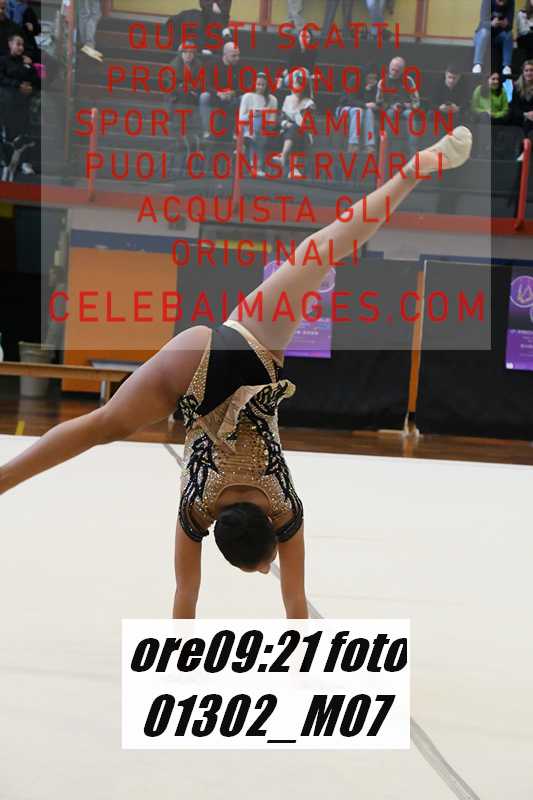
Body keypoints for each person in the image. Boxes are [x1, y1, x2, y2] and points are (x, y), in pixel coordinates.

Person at [0, 126, 473, 619]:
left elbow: (295, 603)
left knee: (322, 249)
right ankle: (5, 478)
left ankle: (411, 172)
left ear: (270, 531)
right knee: (102, 426)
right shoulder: (196, 509)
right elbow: (185, 598)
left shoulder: (284, 507)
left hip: (248, 354)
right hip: (194, 369)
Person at [0, 32, 40, 176]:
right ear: (10, 44)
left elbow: (37, 80)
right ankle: (6, 162)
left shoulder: (26, 62)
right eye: (18, 44)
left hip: (23, 103)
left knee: (24, 134)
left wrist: (31, 66)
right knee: (9, 134)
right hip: (6, 102)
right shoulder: (3, 60)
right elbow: (1, 78)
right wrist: (17, 85)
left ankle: (25, 163)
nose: (21, 47)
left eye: (22, 45)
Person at [376, 56, 422, 157]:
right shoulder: (383, 82)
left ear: (402, 70)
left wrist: (408, 105)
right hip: (390, 109)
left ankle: (413, 152)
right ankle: (385, 149)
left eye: (397, 71)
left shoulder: (408, 80)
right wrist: (390, 106)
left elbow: (416, 101)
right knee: (389, 114)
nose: (394, 72)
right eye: (393, 69)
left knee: (411, 115)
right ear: (389, 67)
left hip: (406, 109)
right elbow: (379, 101)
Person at [275, 68, 316, 178]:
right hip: (285, 132)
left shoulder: (309, 103)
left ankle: (284, 157)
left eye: (298, 85)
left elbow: (305, 124)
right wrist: (285, 123)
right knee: (291, 129)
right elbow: (281, 117)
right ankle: (293, 168)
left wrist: (296, 114)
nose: (295, 88)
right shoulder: (288, 99)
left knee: (295, 129)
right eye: (294, 84)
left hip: (302, 134)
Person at [238, 72, 278, 175]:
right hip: (247, 125)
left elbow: (272, 121)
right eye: (258, 84)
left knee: (259, 125)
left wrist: (262, 114)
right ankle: (256, 167)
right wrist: (253, 114)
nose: (260, 87)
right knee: (256, 127)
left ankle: (249, 137)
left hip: (264, 127)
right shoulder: (247, 96)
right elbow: (241, 117)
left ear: (267, 86)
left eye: (263, 85)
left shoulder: (272, 99)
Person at [199, 40, 240, 139]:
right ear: (225, 54)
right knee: (204, 97)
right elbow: (206, 85)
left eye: (238, 55)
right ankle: (207, 130)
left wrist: (233, 93)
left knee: (244, 98)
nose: (237, 58)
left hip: (232, 97)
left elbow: (245, 87)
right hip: (216, 96)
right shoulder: (212, 64)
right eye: (234, 56)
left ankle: (237, 132)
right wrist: (218, 93)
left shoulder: (240, 66)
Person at [336, 64, 378, 154]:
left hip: (361, 108)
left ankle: (369, 144)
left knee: (369, 111)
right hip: (345, 107)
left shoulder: (373, 86)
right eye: (370, 78)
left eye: (374, 78)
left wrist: (368, 90)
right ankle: (353, 143)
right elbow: (350, 100)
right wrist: (365, 104)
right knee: (358, 111)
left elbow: (372, 103)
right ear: (365, 76)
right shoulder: (354, 80)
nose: (372, 80)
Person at [472, 0, 515, 77]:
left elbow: (510, 25)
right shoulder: (487, 1)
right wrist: (491, 24)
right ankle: (477, 64)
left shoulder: (511, 1)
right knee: (484, 32)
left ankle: (506, 66)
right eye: (499, 1)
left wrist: (504, 24)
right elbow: (483, 22)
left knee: (509, 34)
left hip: (498, 36)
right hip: (483, 35)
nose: (501, 4)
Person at [510, 58, 533, 159]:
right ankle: (523, 153)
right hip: (521, 117)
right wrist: (525, 114)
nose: (529, 73)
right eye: (526, 70)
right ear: (523, 72)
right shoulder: (516, 86)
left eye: (531, 70)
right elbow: (514, 107)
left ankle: (525, 153)